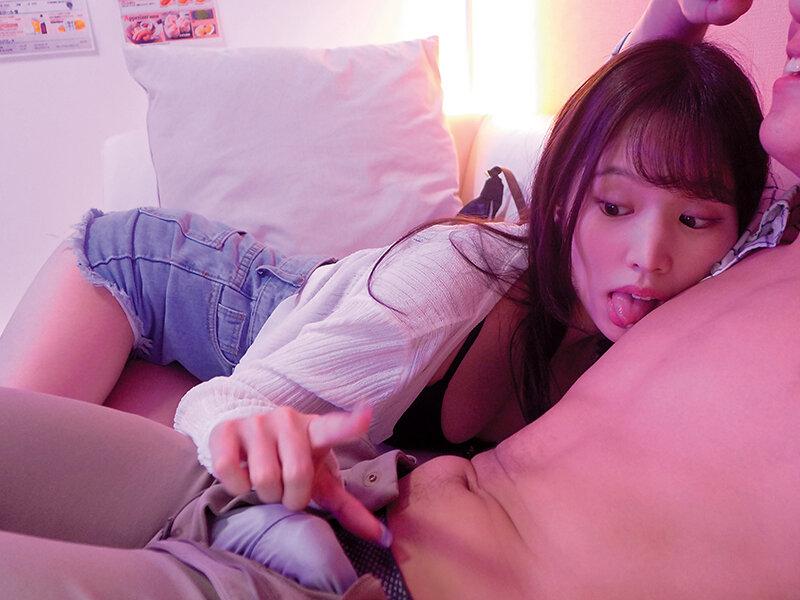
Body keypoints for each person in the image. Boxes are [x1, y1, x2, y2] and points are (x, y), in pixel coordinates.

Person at [0, 34, 781, 600]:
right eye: (613, 207)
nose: (649, 257)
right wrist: (247, 428)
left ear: (740, 230)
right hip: (169, 281)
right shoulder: (449, 285)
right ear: (563, 197)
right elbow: (228, 400)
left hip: (303, 334)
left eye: (695, 221)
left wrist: (678, 25)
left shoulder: (669, 335)